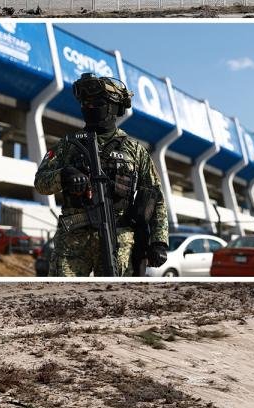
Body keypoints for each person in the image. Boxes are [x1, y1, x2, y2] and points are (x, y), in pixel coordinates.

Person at [33, 73, 169, 277]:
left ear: (114, 107)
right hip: (72, 241)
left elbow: (155, 198)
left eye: (96, 102)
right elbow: (40, 183)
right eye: (85, 102)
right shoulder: (68, 145)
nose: (89, 107)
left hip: (118, 241)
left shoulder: (135, 151)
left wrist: (158, 242)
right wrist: (64, 175)